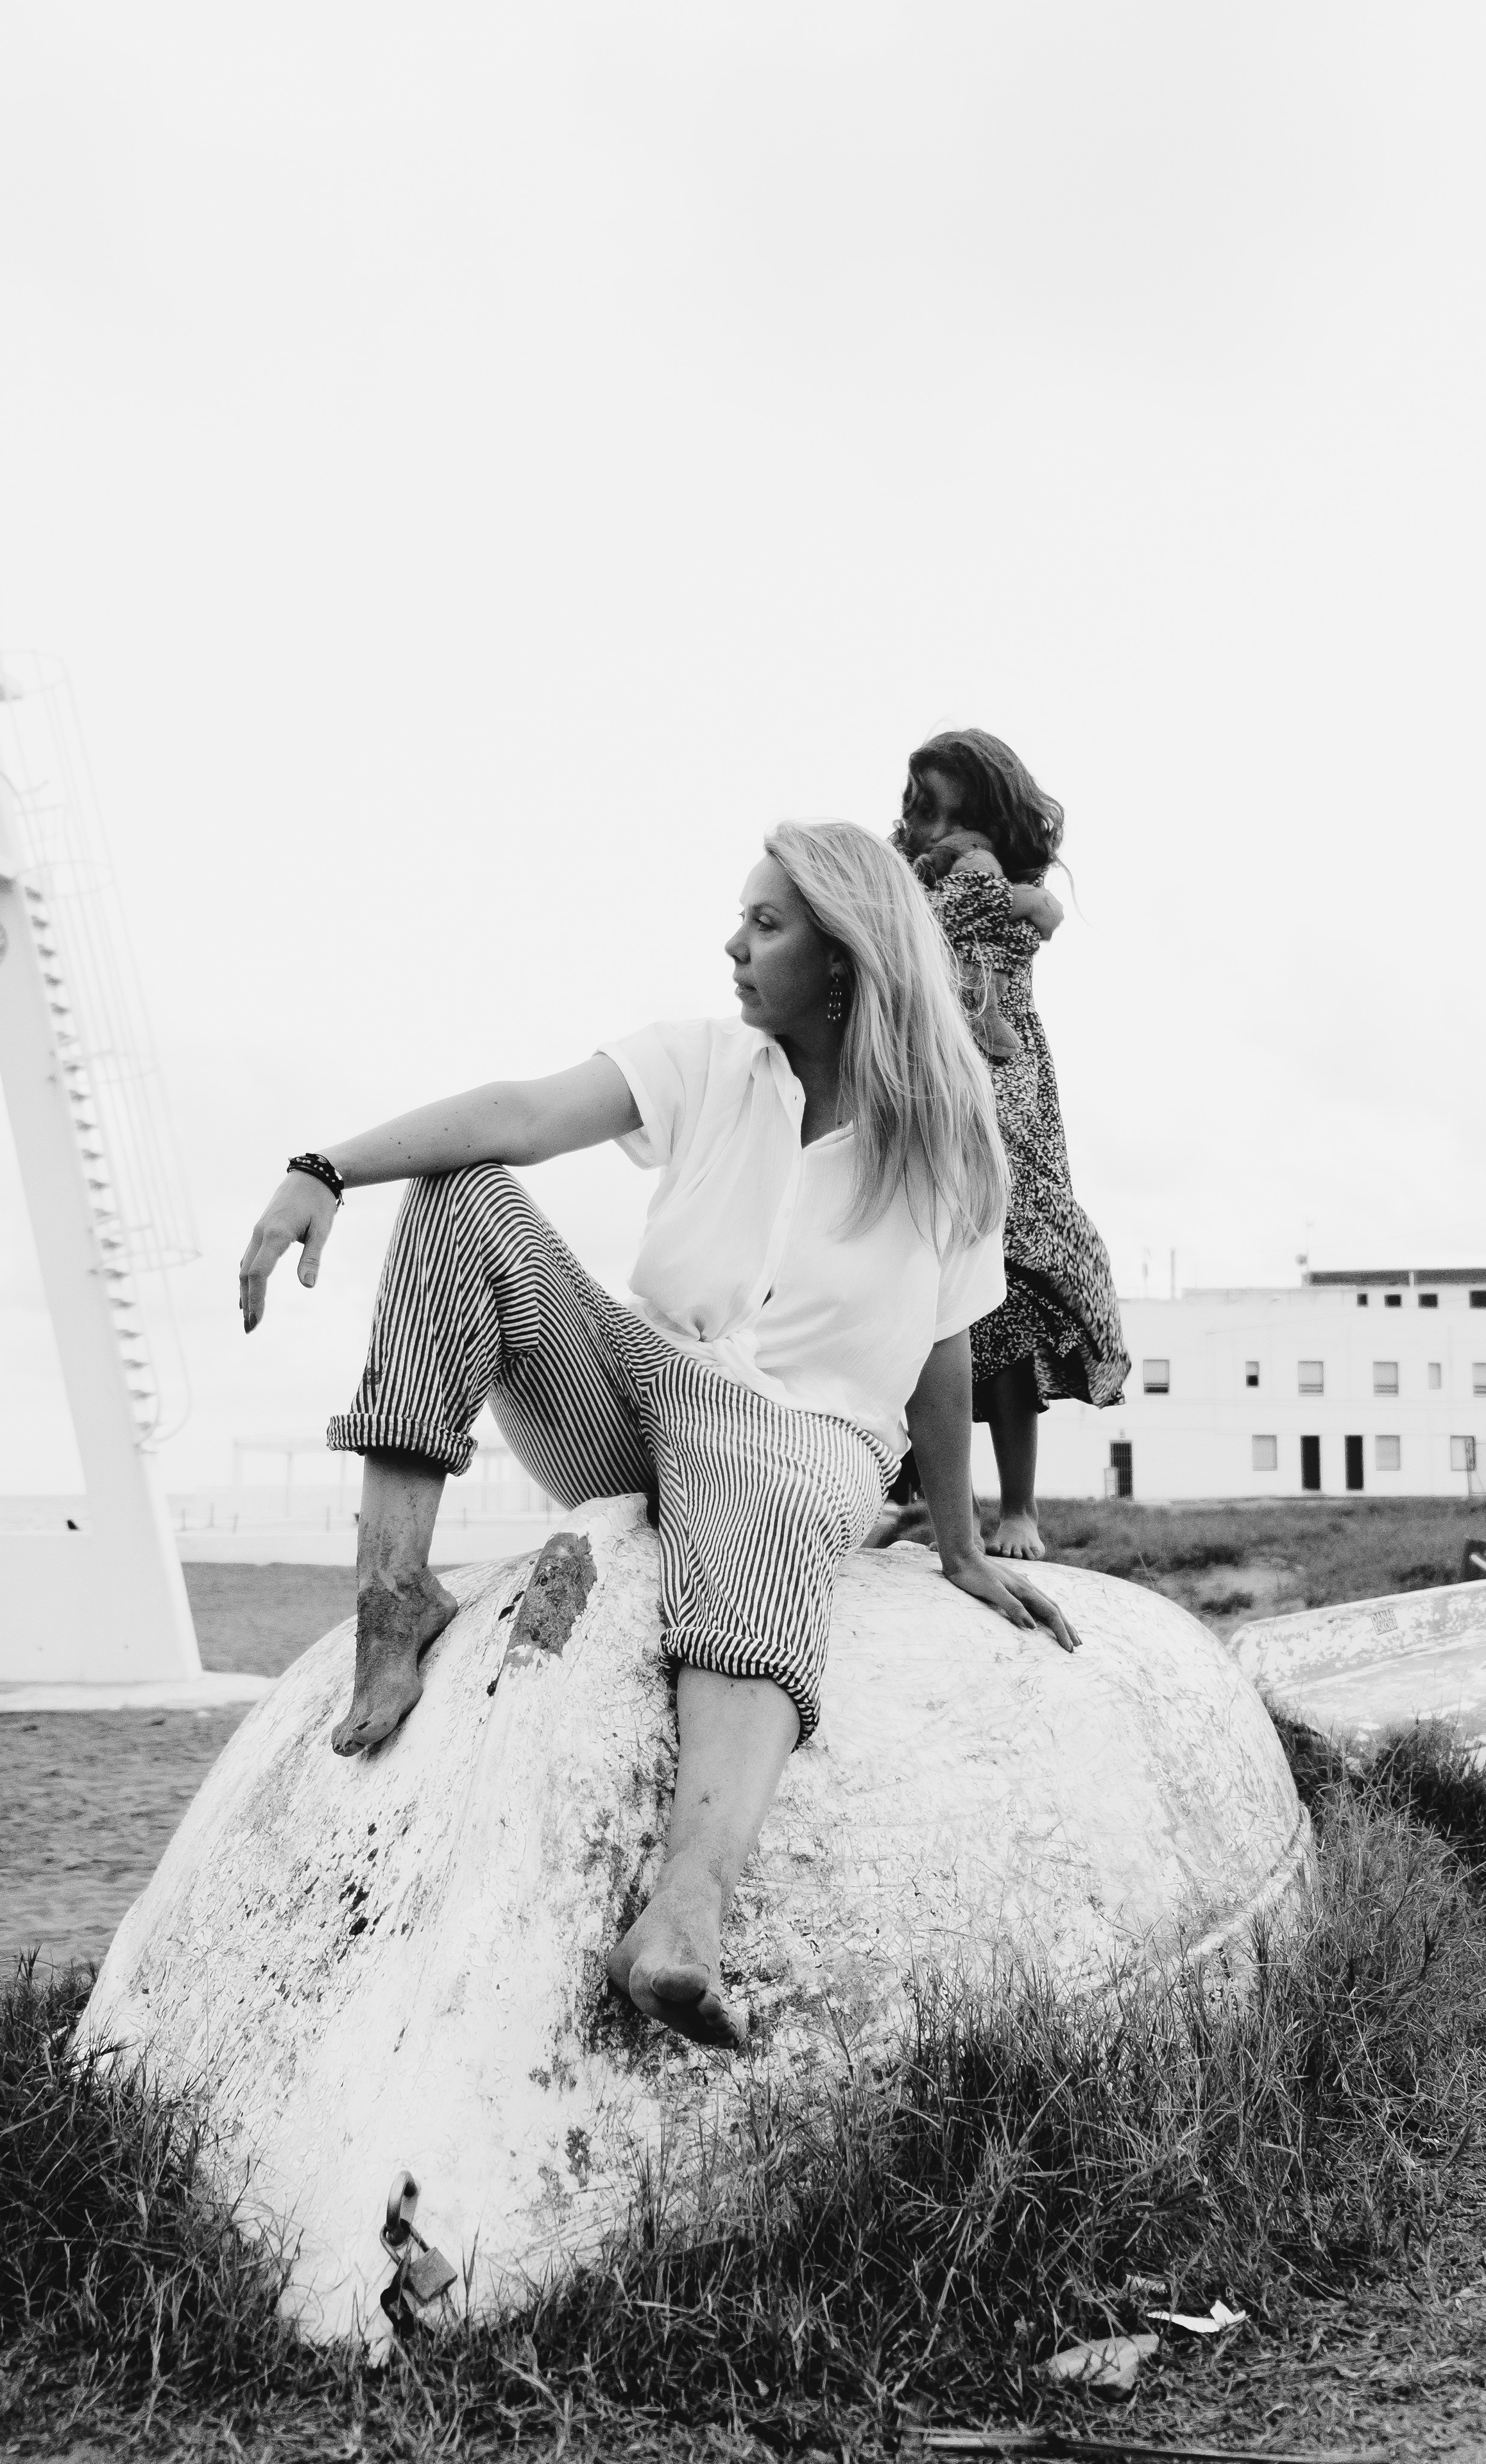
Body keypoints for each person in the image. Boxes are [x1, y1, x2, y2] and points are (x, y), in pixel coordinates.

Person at [237, 820, 1077, 2053]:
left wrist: (960, 1546)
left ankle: (683, 1916)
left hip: (805, 1445)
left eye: (766, 924)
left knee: (768, 1481)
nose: (732, 942)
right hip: (641, 1392)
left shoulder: (953, 1143)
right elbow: (517, 1113)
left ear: (842, 957)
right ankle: (393, 1596)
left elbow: (946, 1355)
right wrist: (324, 1167)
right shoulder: (706, 1064)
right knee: (464, 1192)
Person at [885, 730, 1129, 1561]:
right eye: (911, 802)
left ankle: (1018, 1508)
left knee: (998, 1300)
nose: (913, 819)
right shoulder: (927, 874)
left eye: (931, 805)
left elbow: (964, 928)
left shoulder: (973, 871)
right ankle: (940, 1493)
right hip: (947, 1086)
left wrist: (966, 870)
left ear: (978, 818)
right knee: (931, 1299)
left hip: (996, 1101)